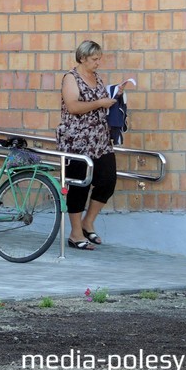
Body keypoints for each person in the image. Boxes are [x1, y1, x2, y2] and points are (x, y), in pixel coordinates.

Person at [56, 40, 132, 251]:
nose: (99, 62)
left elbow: (100, 100)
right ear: (82, 58)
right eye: (95, 59)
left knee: (108, 180)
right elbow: (72, 106)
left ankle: (88, 221)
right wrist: (100, 103)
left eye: (99, 58)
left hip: (99, 138)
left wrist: (114, 94)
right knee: (79, 186)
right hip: (77, 141)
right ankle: (75, 233)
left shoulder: (96, 77)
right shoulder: (71, 78)